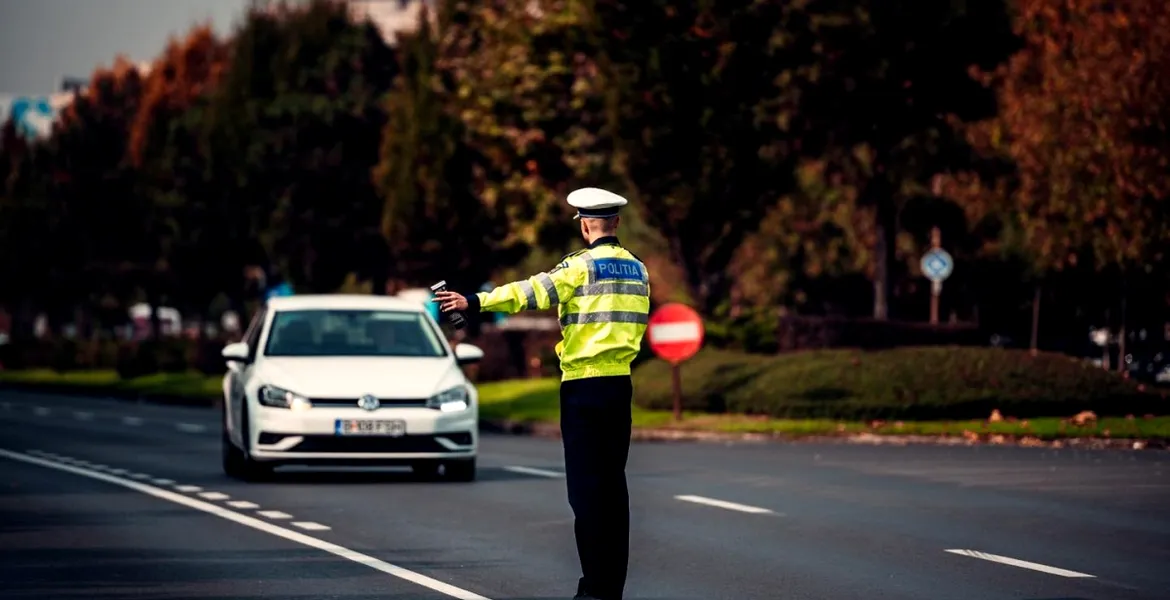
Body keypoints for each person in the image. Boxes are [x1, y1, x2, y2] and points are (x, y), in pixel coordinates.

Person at [434, 187, 650, 600]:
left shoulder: (579, 267)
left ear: (585, 224)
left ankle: (594, 591)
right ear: (616, 222)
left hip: (584, 386)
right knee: (612, 490)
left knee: (586, 493)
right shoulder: (638, 269)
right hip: (620, 385)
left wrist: (474, 301)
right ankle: (611, 588)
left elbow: (529, 292)